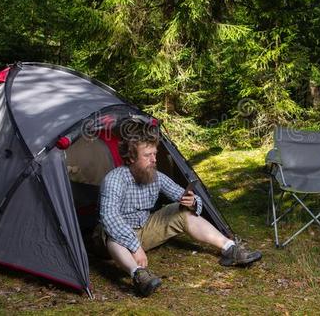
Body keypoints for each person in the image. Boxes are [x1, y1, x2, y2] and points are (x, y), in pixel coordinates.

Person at [96, 119, 262, 297]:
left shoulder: (155, 176)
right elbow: (109, 217)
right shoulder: (114, 179)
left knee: (181, 209)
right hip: (112, 240)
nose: (154, 160)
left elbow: (182, 195)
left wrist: (192, 201)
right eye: (147, 155)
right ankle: (138, 275)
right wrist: (135, 246)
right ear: (130, 158)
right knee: (113, 237)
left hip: (144, 229)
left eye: (155, 154)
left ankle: (230, 249)